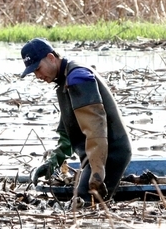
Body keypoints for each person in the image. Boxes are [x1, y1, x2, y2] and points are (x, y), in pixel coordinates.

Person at [21, 38, 132, 204]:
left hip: (110, 152)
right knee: (82, 202)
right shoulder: (65, 81)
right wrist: (53, 162)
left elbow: (96, 129)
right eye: (33, 72)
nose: (37, 76)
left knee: (84, 202)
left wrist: (97, 173)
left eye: (38, 68)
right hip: (96, 154)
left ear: (51, 58)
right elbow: (68, 132)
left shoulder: (78, 77)